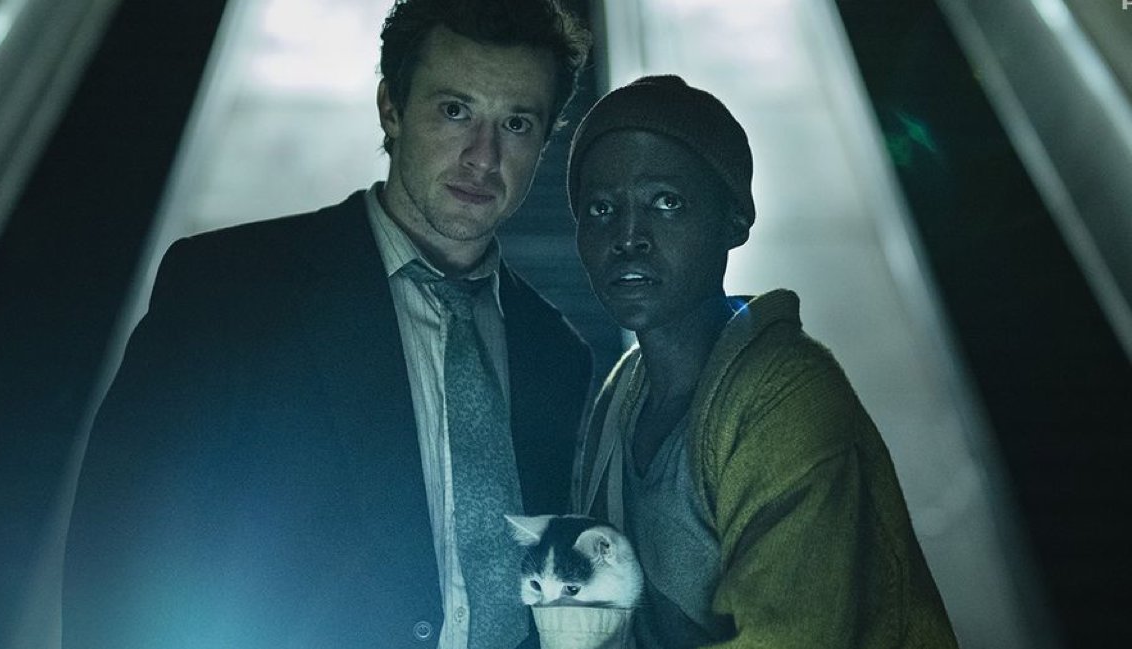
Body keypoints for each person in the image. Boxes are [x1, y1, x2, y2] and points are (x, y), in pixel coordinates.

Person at [63, 1, 593, 648]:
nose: (483, 157)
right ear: (391, 109)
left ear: (546, 141)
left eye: (516, 123)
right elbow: (116, 555)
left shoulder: (555, 354)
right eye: (454, 111)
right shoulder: (231, 292)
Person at [568, 75, 959, 648]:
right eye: (601, 208)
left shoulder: (788, 395)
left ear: (735, 220)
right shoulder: (620, 395)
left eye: (666, 203)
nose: (629, 236)